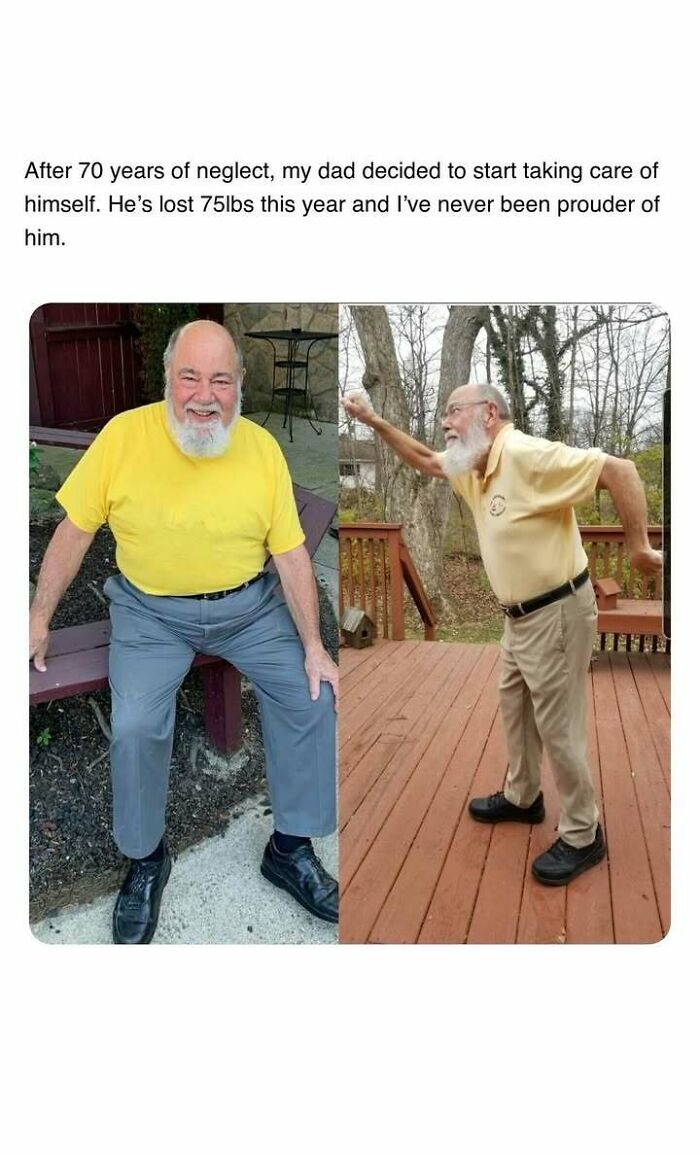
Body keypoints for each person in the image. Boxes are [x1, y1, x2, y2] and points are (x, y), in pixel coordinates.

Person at [30, 320, 338, 942]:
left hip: (250, 611)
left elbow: (291, 553)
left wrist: (313, 646)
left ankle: (289, 846)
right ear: (167, 379)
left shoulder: (260, 449)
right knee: (137, 723)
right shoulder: (124, 436)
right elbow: (74, 530)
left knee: (314, 695)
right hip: (150, 617)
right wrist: (37, 617)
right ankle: (146, 859)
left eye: (220, 379)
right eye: (189, 377)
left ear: (239, 386)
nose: (205, 394)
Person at [342, 383, 662, 886]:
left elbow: (620, 470)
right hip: (518, 618)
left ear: (489, 413)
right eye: (443, 413)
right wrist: (375, 423)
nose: (444, 422)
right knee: (514, 707)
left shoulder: (527, 455)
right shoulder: (475, 465)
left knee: (559, 725)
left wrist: (639, 547)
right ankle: (523, 796)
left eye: (453, 412)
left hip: (556, 612)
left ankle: (583, 833)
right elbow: (427, 460)